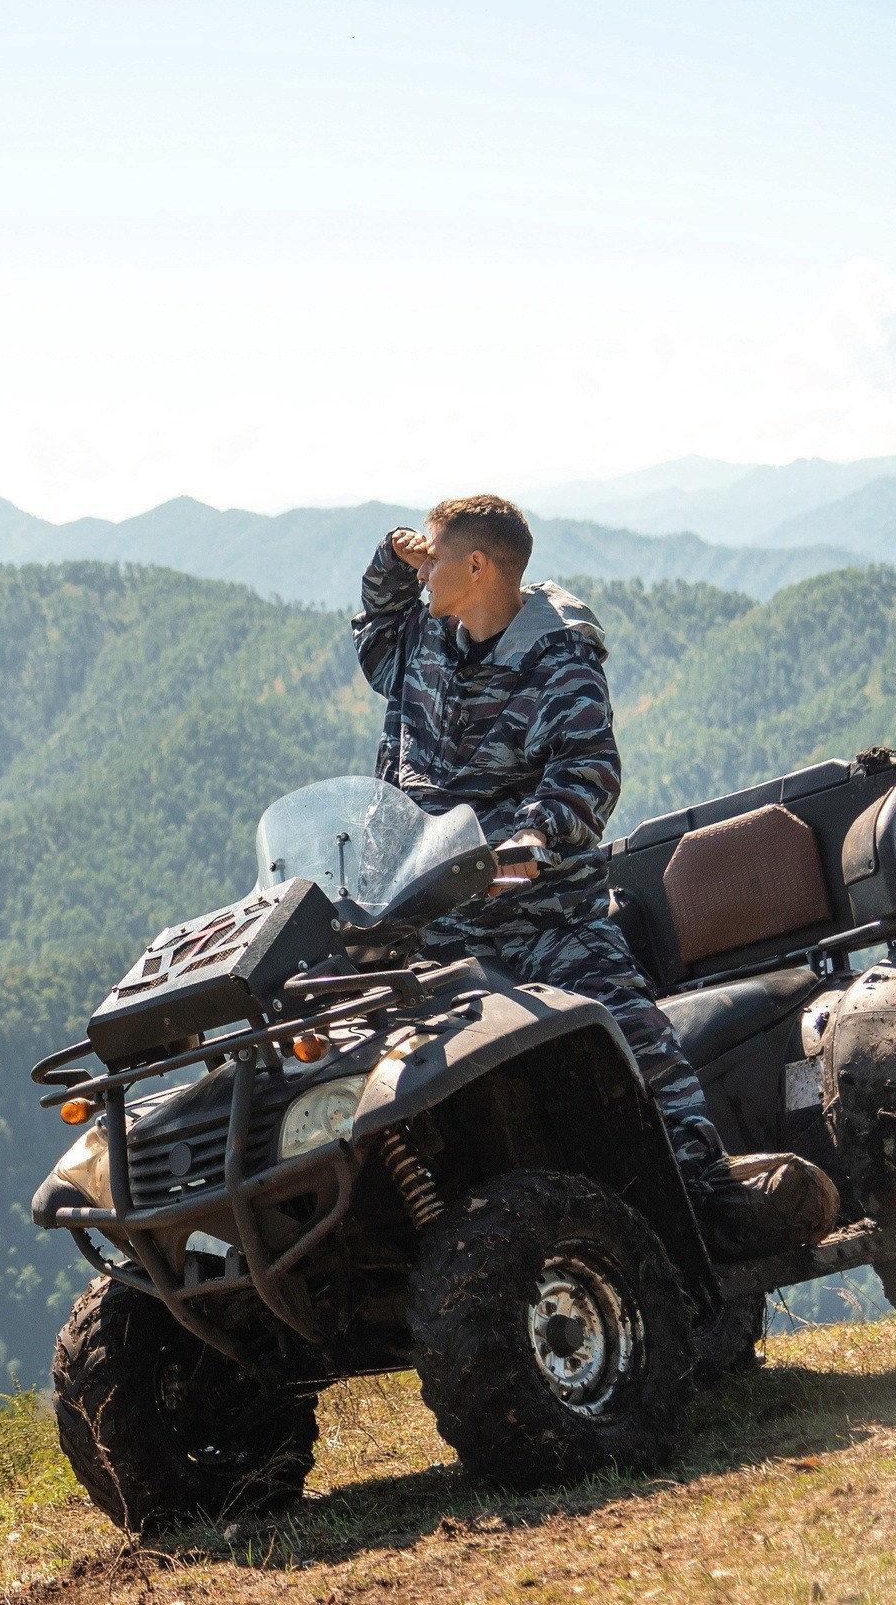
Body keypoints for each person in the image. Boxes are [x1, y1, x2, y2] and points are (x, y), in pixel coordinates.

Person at [355, 494, 831, 1258]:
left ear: (476, 567)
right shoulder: (422, 639)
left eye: (432, 559)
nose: (421, 573)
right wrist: (391, 553)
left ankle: (708, 1194)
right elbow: (374, 628)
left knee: (629, 1033)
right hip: (435, 925)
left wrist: (534, 836)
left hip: (542, 915)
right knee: (366, 1071)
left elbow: (587, 772)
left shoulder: (558, 658)